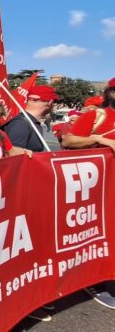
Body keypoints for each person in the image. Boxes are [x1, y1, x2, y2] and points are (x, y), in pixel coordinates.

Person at [61, 78, 115, 309]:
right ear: (110, 92)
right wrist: (98, 138)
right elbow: (67, 141)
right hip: (97, 192)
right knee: (100, 236)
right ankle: (96, 281)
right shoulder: (96, 116)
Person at [1, 85, 59, 152]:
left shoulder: (28, 122)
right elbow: (12, 156)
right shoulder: (21, 124)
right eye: (55, 102)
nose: (54, 104)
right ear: (50, 102)